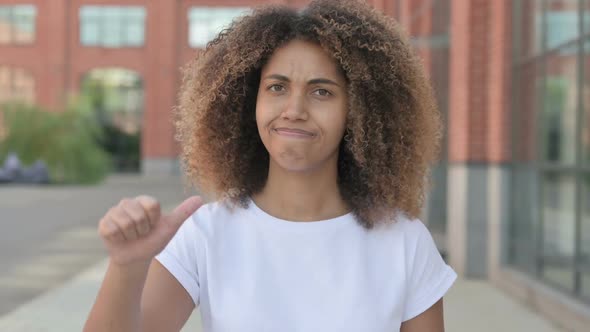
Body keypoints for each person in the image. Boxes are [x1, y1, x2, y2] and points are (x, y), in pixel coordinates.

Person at [83, 0, 456, 331]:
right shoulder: (206, 234)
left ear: (359, 112)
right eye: (277, 87)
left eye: (321, 91)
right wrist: (126, 268)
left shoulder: (404, 243)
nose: (294, 111)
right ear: (250, 101)